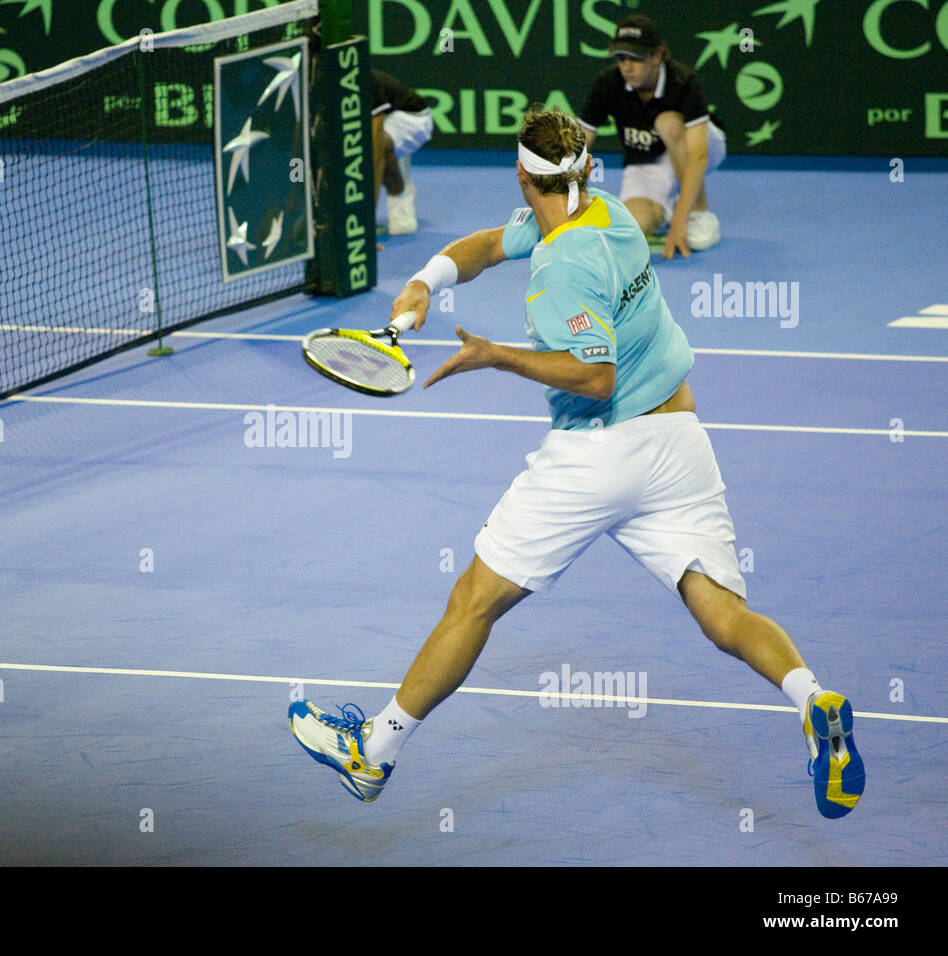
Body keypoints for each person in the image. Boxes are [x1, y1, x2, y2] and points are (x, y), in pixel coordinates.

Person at [288, 106, 864, 820]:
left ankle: (373, 753)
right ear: (580, 171)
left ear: (524, 176)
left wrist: (496, 355)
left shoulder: (562, 269)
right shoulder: (608, 213)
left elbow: (596, 378)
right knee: (719, 608)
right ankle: (811, 699)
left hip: (597, 454)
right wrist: (426, 283)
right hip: (679, 438)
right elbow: (491, 244)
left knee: (473, 601)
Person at [577, 14, 725, 258]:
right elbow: (582, 140)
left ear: (657, 56)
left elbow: (699, 156)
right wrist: (562, 190)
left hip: (700, 146)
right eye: (622, 57)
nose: (627, 66)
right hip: (648, 159)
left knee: (668, 123)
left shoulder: (683, 80)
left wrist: (680, 222)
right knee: (634, 225)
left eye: (636, 58)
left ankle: (700, 213)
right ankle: (662, 208)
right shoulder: (608, 82)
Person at [371, 68, 433, 236]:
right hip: (389, 118)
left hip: (412, 120)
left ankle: (399, 202)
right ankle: (402, 217)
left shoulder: (370, 83)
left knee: (373, 150)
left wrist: (365, 226)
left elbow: (375, 158)